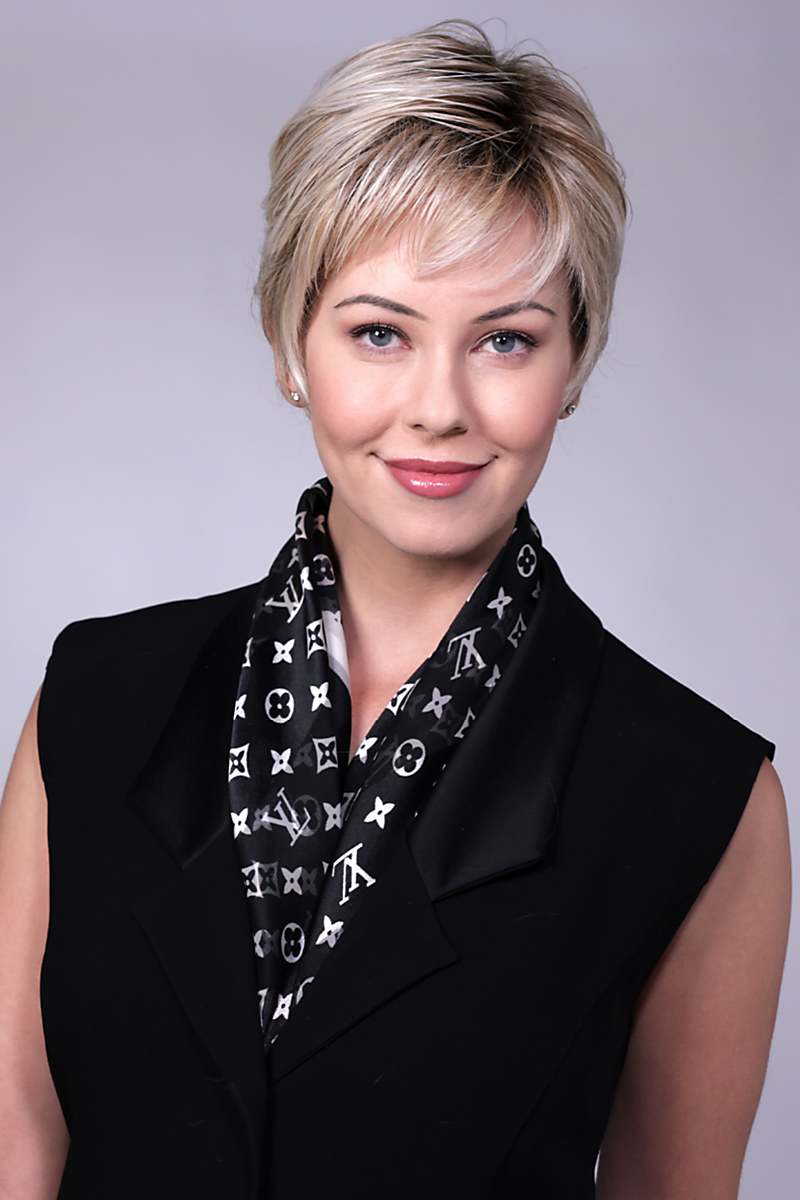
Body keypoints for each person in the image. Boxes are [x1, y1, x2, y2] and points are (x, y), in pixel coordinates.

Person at [0, 17, 790, 1200]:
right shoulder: (95, 698)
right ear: (290, 346)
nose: (437, 407)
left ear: (573, 366)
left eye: (504, 341)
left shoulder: (699, 793)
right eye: (379, 332)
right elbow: (17, 1140)